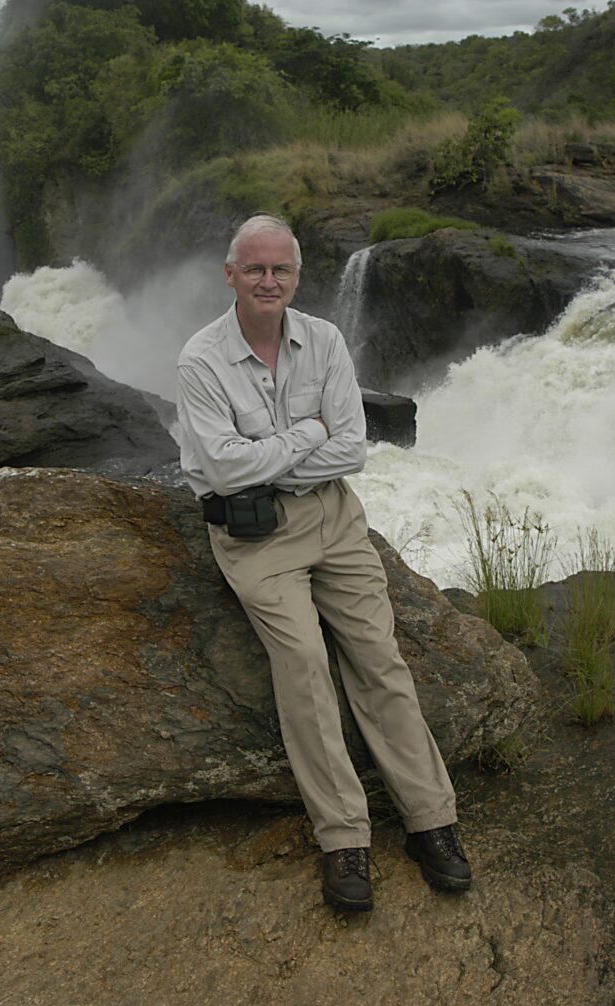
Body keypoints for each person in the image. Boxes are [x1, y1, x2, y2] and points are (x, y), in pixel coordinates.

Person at [176, 214, 471, 912]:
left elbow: (353, 450)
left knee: (379, 658)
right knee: (304, 666)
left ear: (297, 276)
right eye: (255, 268)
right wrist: (309, 433)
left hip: (335, 521)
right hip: (255, 535)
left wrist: (271, 456)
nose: (268, 280)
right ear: (231, 275)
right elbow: (224, 469)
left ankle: (431, 820)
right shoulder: (200, 360)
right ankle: (342, 837)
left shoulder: (326, 340)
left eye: (280, 269)